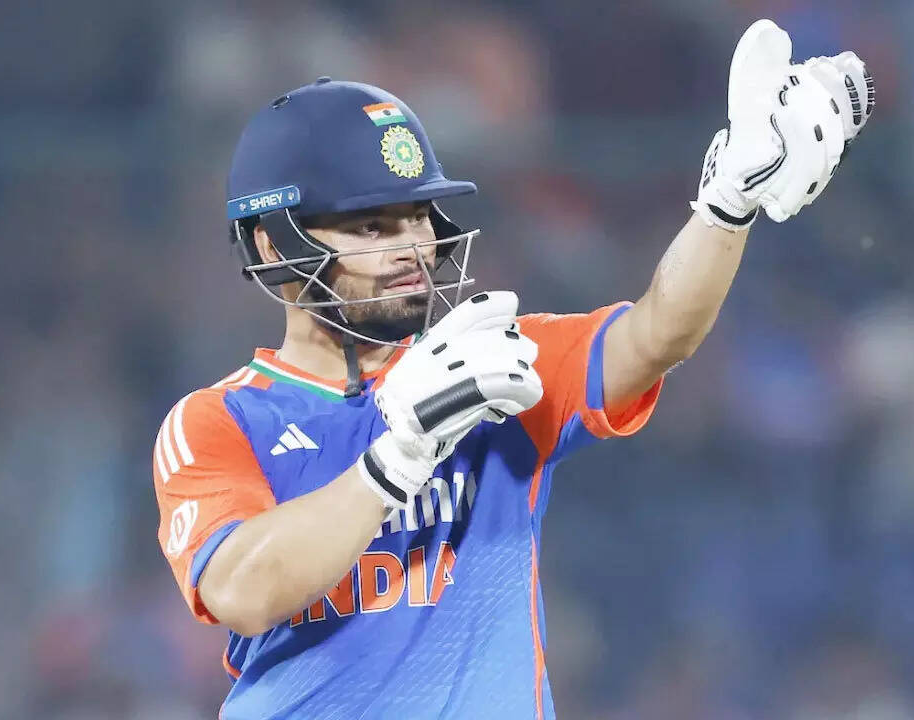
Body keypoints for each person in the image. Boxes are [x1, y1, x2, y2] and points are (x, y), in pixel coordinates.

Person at [152, 19, 873, 720]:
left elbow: (658, 335)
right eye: (372, 226)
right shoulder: (217, 422)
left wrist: (726, 207)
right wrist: (398, 457)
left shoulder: (491, 366)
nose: (413, 247)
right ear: (273, 246)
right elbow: (244, 591)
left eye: (418, 217)